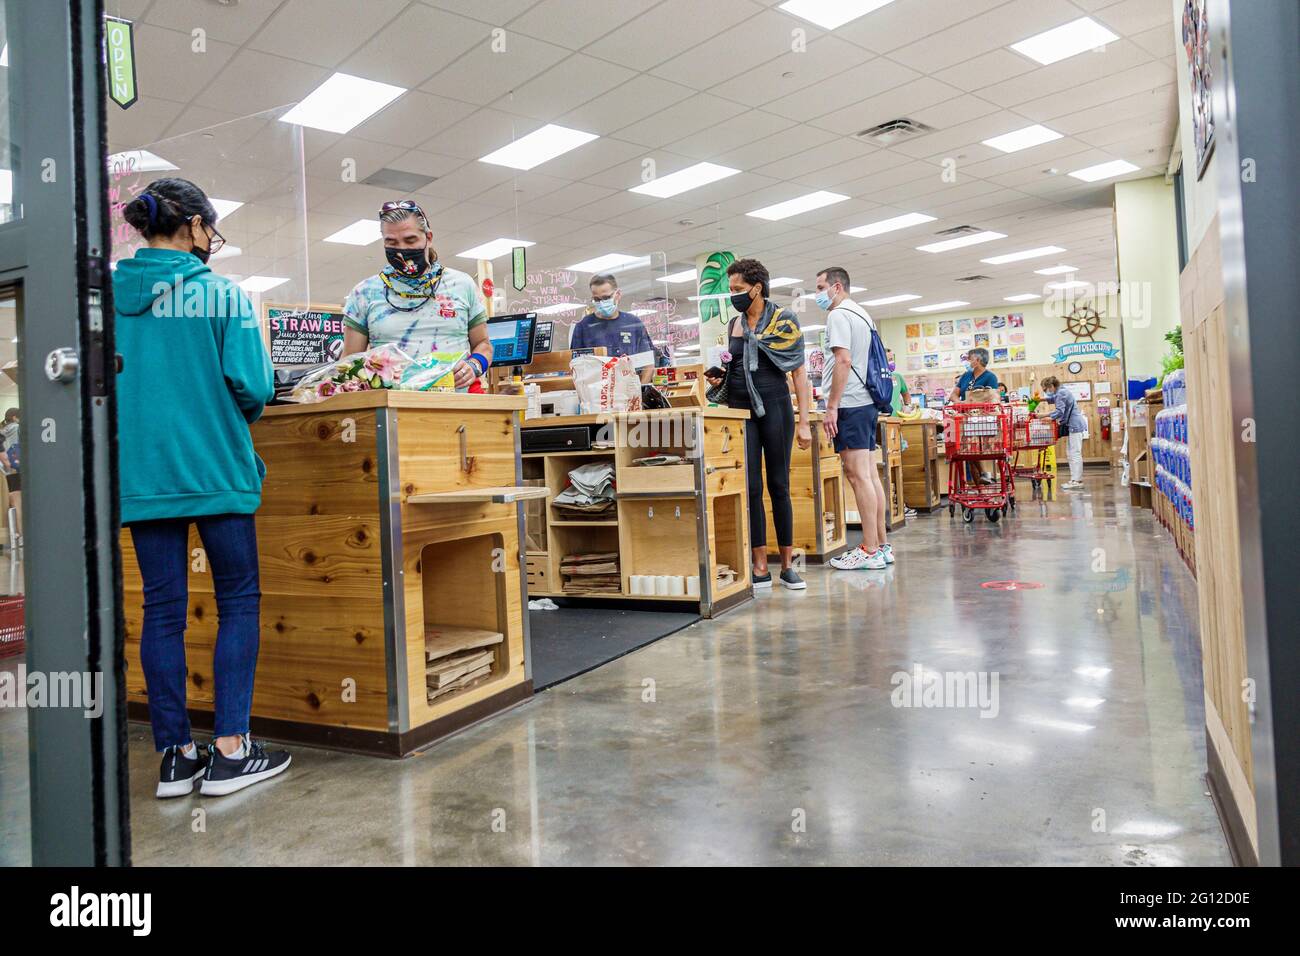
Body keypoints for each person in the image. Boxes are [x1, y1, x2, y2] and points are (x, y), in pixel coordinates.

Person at [116, 177, 289, 798]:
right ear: (192, 226)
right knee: (237, 601)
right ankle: (231, 751)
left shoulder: (105, 296)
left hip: (141, 477)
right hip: (216, 470)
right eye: (208, 227)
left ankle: (175, 758)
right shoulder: (222, 295)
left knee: (160, 609)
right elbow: (256, 387)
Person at [725, 257, 812, 590]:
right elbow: (732, 365)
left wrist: (804, 421)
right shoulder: (733, 325)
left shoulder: (785, 321)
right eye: (731, 289)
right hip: (740, 410)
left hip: (776, 407)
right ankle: (759, 564)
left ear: (756, 288)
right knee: (750, 487)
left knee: (779, 485)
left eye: (738, 289)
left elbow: (799, 374)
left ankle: (788, 565)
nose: (733, 295)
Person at [342, 200, 491, 390]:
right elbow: (349, 362)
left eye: (410, 240)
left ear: (428, 237)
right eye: (391, 242)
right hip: (392, 409)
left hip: (456, 406)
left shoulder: (462, 285)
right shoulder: (364, 293)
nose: (402, 249)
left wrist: (474, 365)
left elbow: (484, 344)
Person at [817, 268, 893, 571]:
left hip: (850, 403)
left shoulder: (838, 315)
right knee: (869, 474)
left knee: (857, 474)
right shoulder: (862, 314)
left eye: (821, 287)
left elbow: (843, 360)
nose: (818, 294)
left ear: (837, 286)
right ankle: (881, 545)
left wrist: (832, 405)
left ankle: (870, 549)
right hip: (866, 403)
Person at [568, 273, 656, 383]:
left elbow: (648, 363)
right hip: (597, 393)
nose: (601, 303)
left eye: (606, 298)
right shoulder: (584, 327)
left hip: (630, 391)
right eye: (597, 299)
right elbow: (576, 367)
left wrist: (640, 391)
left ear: (618, 294)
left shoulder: (633, 324)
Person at [1039, 376, 1089, 490]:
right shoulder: (1061, 391)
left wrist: (1044, 415)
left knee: (1074, 453)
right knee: (1070, 453)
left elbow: (1059, 411)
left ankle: (1077, 480)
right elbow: (1054, 399)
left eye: (1045, 390)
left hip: (1075, 425)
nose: (1046, 392)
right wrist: (1040, 400)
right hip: (1073, 425)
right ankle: (1074, 479)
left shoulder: (1061, 393)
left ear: (1051, 386)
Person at [2, 407, 19, 546]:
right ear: (14, 417)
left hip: (5, 472)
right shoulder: (18, 428)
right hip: (16, 469)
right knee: (18, 502)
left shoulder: (2, 431)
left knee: (8, 503)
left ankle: (9, 537)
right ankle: (19, 535)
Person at [886, 350, 910, 414]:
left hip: (898, 418)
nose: (891, 362)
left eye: (891, 359)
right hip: (882, 419)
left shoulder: (898, 377)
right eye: (887, 360)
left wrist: (907, 406)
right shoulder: (875, 379)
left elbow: (906, 394)